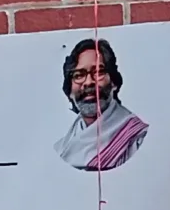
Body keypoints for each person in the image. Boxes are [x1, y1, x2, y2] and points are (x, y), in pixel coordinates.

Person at [54, 37, 150, 172]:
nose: (88, 82)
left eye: (98, 72)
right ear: (69, 90)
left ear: (114, 82)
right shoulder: (61, 148)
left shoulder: (137, 139)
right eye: (78, 75)